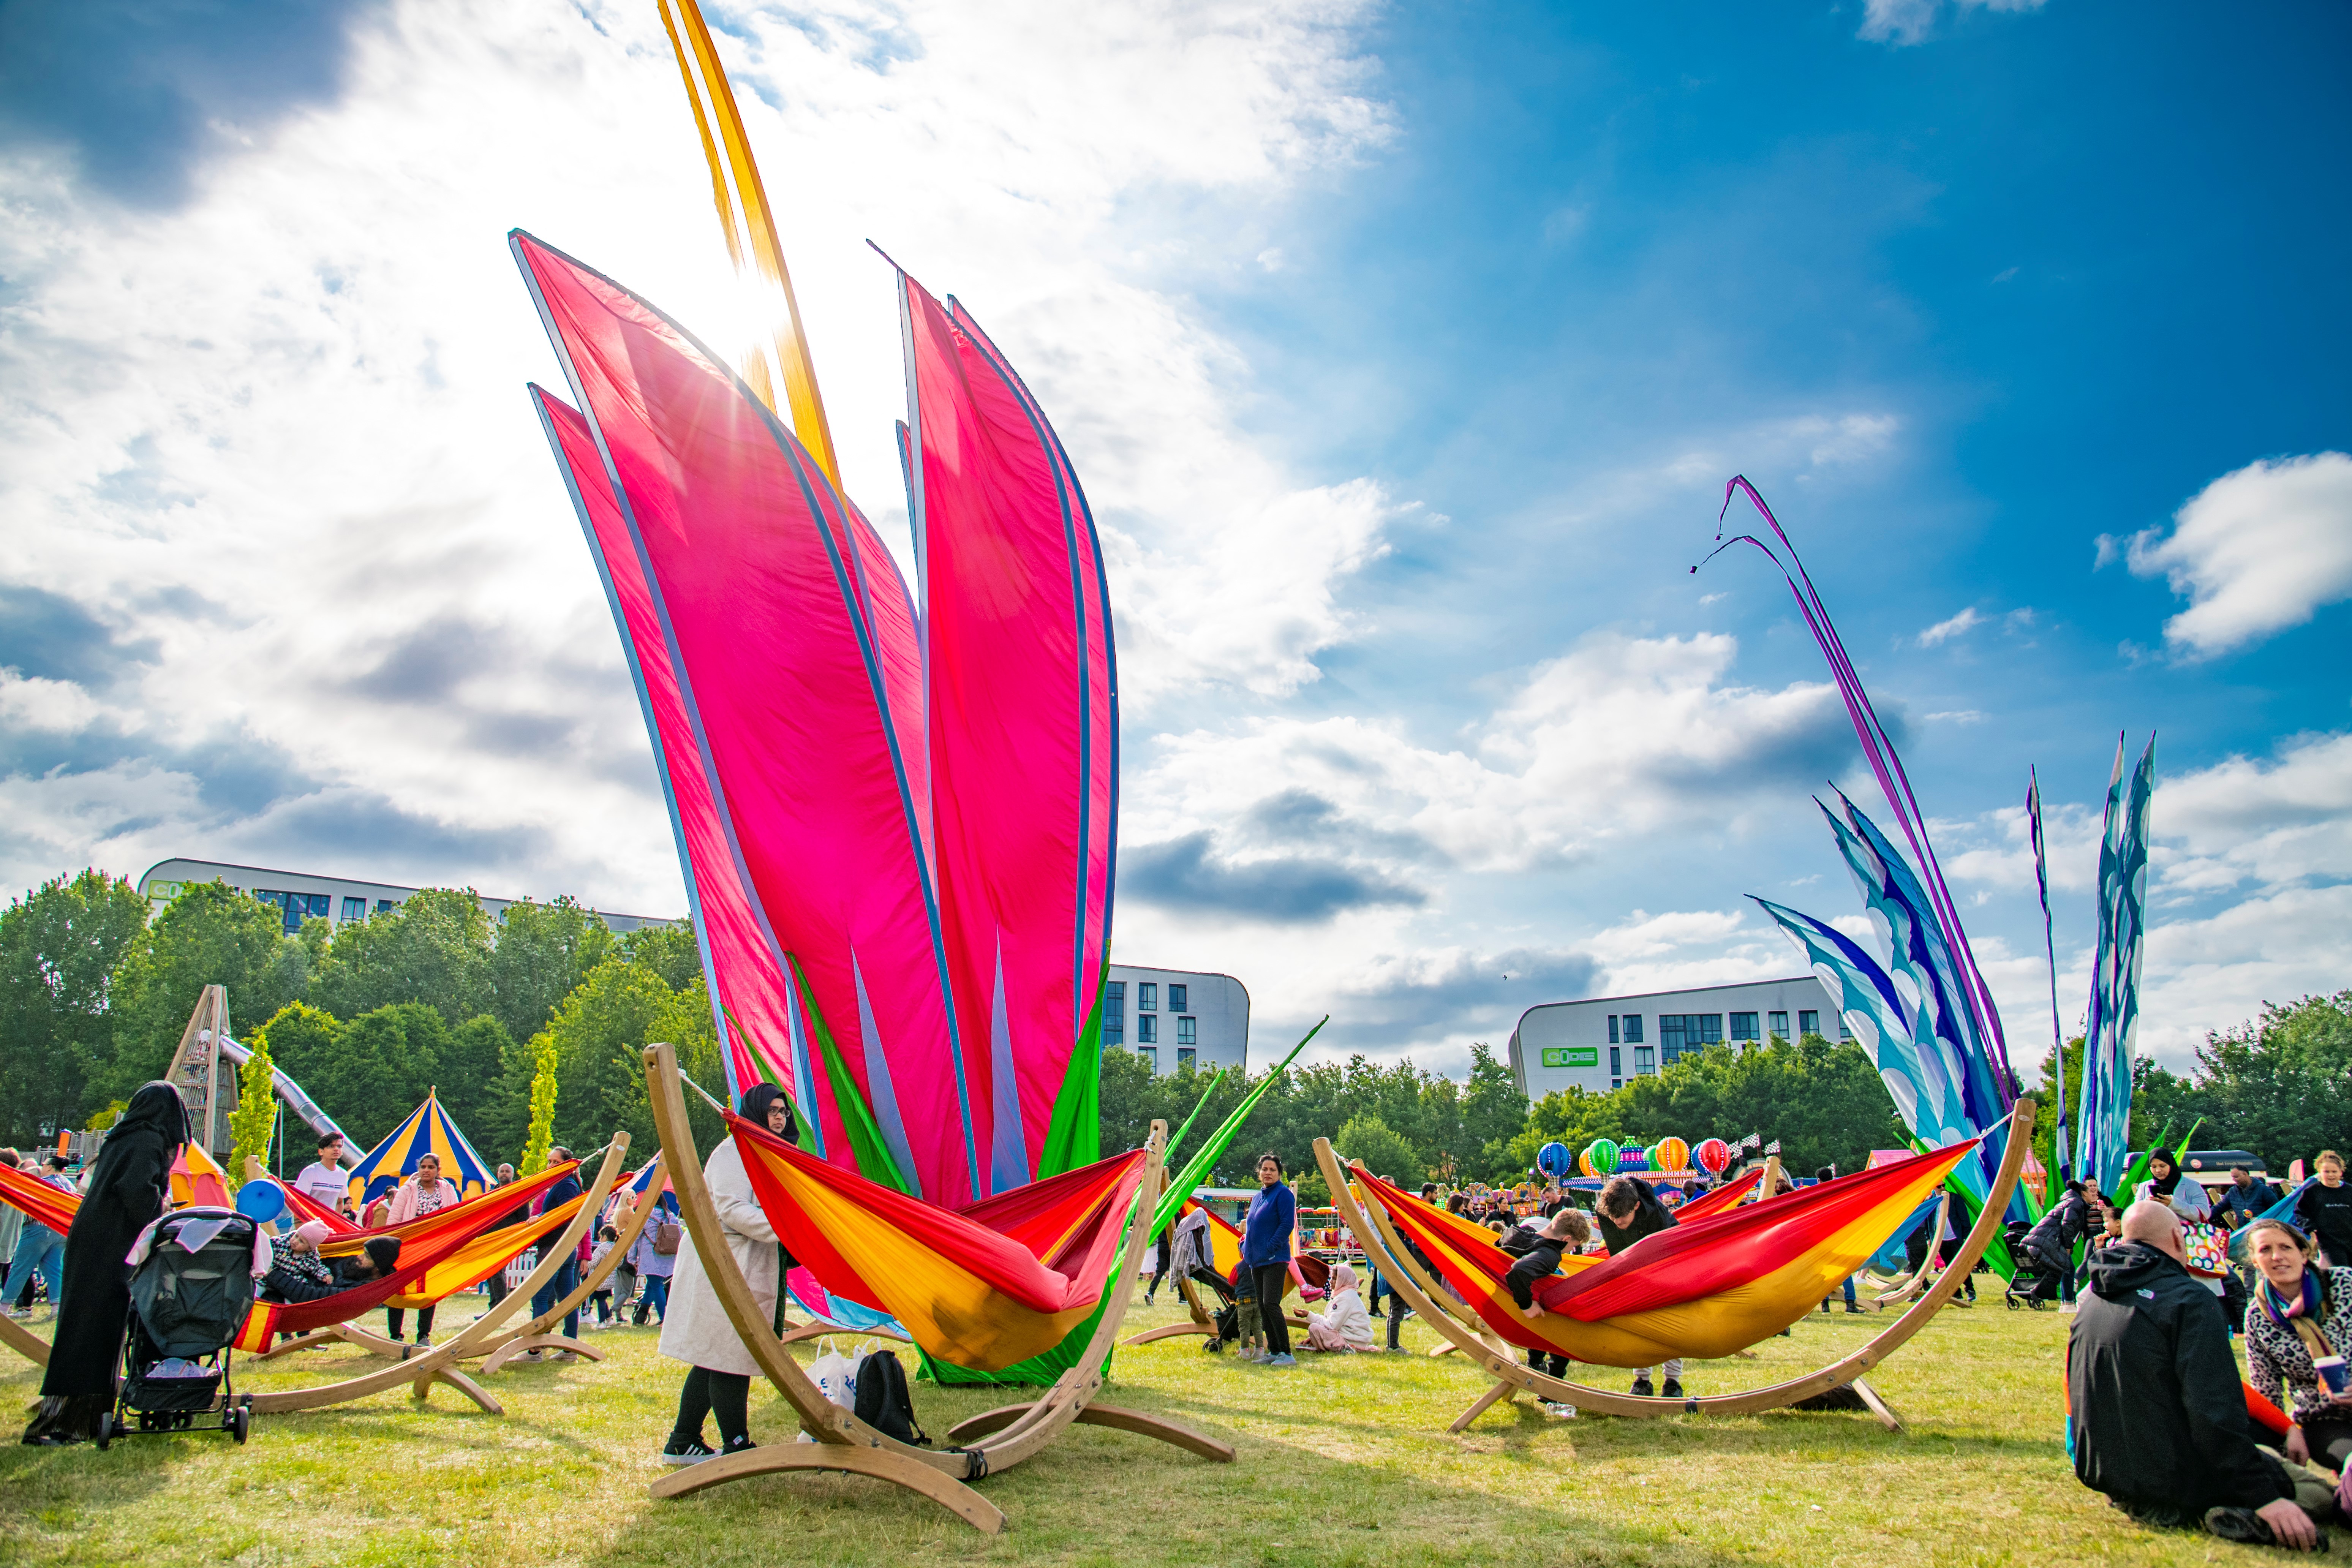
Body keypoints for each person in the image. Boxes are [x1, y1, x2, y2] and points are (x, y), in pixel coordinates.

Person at [2069, 1199, 2325, 1550]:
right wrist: (2264, 1495)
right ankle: (2229, 1509)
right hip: (2175, 1477)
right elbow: (2214, 1406)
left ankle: (2161, 1503)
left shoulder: (2094, 1299)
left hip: (2110, 1474)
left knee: (2264, 1441)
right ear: (2179, 1238)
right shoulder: (2188, 1299)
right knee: (2322, 1495)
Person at [22, 1082, 187, 1445]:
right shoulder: (146, 1140)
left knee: (96, 1328)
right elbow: (136, 1190)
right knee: (91, 1331)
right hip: (110, 1242)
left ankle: (93, 1417)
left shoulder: (123, 1136)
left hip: (99, 1238)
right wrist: (161, 1216)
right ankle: (63, 1422)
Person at [659, 1084, 796, 1463]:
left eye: (783, 1111)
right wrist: (790, 1226)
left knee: (714, 1354)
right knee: (729, 1354)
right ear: (754, 1112)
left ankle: (682, 1440)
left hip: (750, 1259)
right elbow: (733, 1209)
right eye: (772, 1111)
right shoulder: (735, 1152)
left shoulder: (769, 1153)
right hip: (725, 1261)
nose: (780, 1117)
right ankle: (737, 1444)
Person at [2242, 1217, 2352, 1474]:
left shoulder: (2344, 1285)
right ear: (2256, 1262)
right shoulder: (2258, 1317)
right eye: (2265, 1250)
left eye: (2286, 1247)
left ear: (2304, 1254)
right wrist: (2285, 1434)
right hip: (2324, 1420)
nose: (2277, 1256)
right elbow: (2265, 1389)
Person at [1595, 1175, 1684, 1398]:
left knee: (1669, 1320)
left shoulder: (1657, 1216)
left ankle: (1673, 1381)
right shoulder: (1607, 1212)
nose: (1617, 1222)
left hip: (1667, 1261)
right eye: (1613, 1217)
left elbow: (1668, 1253)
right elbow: (1618, 1254)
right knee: (1638, 1321)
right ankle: (1642, 1379)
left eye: (1622, 1217)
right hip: (1632, 1265)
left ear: (1637, 1206)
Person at [1505, 1210, 1594, 1380]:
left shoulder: (1519, 1234)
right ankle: (1555, 1381)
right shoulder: (1549, 1254)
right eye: (1572, 1246)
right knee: (1567, 1325)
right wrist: (1527, 1305)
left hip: (1508, 1305)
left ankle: (1536, 1363)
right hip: (1528, 1314)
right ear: (1566, 1239)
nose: (1570, 1251)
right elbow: (1518, 1272)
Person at [383, 1152, 458, 1346]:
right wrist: (393, 1244)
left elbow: (456, 1216)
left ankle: (424, 1335)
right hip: (408, 1246)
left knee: (430, 1290)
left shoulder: (448, 1190)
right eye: (423, 1167)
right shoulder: (407, 1190)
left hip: (434, 1247)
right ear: (418, 1170)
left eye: (431, 1167)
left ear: (438, 1171)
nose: (426, 1171)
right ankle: (395, 1336)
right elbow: (394, 1219)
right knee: (400, 1288)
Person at [525, 1149, 585, 1358]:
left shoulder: (566, 1185)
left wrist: (541, 1217)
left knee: (540, 1297)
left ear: (567, 1165)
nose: (550, 1165)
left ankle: (535, 1351)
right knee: (566, 1302)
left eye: (556, 1162)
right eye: (549, 1161)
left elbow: (567, 1215)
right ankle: (570, 1350)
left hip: (555, 1249)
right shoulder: (566, 1185)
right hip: (565, 1250)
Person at [1242, 1152, 1298, 1368]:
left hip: (1275, 1259)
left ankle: (1287, 1353)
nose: (1268, 1173)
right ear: (1259, 1173)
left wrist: (1271, 1246)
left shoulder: (1284, 1195)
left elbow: (1286, 1225)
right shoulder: (1258, 1197)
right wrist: (1246, 1247)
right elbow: (1252, 1225)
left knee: (1271, 1304)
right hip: (1257, 1261)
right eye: (1264, 1169)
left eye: (1272, 1170)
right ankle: (1274, 1351)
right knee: (1263, 1307)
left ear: (1279, 1173)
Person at [6, 1154, 74, 1317]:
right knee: (54, 1270)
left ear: (50, 1167)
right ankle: (57, 1308)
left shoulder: (44, 1183)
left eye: (44, 1165)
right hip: (61, 1231)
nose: (42, 1168)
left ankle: (4, 1307)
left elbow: (30, 1205)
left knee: (20, 1268)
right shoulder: (69, 1184)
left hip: (38, 1229)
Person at [2018, 1180, 2098, 1305]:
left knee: (2066, 1269)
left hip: (2046, 1238)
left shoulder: (2072, 1202)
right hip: (2049, 1239)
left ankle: (2065, 1303)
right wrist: (2068, 1246)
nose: (2093, 1194)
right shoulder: (2076, 1203)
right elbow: (2067, 1224)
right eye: (2090, 1192)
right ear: (2084, 1193)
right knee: (2068, 1269)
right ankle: (2068, 1303)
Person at [259, 1220, 350, 1304]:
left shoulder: (311, 1257)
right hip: (266, 1278)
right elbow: (265, 1250)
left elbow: (317, 1267)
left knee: (291, 1303)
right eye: (296, 1236)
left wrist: (325, 1275)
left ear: (310, 1248)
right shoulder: (280, 1243)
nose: (295, 1241)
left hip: (288, 1283)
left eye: (301, 1242)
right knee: (255, 1292)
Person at [630, 1189, 682, 1325]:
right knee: (652, 1286)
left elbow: (635, 1237)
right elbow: (680, 1235)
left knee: (656, 1285)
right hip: (668, 1256)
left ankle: (664, 1319)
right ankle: (640, 1318)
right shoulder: (671, 1217)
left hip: (651, 1256)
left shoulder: (646, 1216)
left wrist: (632, 1258)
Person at [2297, 1153, 2352, 1270]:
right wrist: (2310, 1227)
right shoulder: (2312, 1192)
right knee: (2343, 1272)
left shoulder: (2349, 1191)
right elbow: (2300, 1213)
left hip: (2350, 1238)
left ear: (2341, 1172)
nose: (2331, 1175)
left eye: (2334, 1172)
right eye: (2327, 1172)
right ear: (2320, 1172)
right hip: (2329, 1242)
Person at [1305, 1262, 1375, 1352]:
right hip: (1351, 1338)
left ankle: (1346, 1348)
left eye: (1334, 1279)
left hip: (1353, 1341)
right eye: (1331, 1278)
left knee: (1314, 1328)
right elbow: (1331, 1321)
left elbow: (1332, 1326)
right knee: (1316, 1329)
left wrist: (1310, 1316)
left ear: (1343, 1280)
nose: (1330, 1281)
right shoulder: (1343, 1294)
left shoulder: (1345, 1297)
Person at [2142, 1151, 2214, 1224]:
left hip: (2185, 1234)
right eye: (2154, 1167)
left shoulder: (2192, 1185)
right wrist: (2147, 1204)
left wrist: (2173, 1204)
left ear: (2171, 1165)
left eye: (2163, 1166)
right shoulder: (2144, 1187)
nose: (2158, 1170)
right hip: (2154, 1234)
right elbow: (2135, 1215)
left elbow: (2205, 1214)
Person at [291, 1132, 351, 1213]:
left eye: (339, 1146)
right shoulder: (311, 1172)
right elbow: (297, 1201)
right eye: (331, 1146)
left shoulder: (343, 1174)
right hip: (308, 1222)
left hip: (328, 1224)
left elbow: (340, 1202)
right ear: (321, 1152)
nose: (336, 1149)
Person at [2220, 1166, 2287, 1230]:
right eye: (2233, 1177)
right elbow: (2220, 1207)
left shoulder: (2264, 1190)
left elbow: (2276, 1210)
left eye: (2236, 1177)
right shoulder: (2233, 1191)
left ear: (2245, 1174)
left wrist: (2262, 1221)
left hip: (2261, 1230)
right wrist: (2209, 1218)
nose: (2233, 1180)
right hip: (2243, 1233)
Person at [588, 1224, 621, 1326]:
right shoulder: (616, 1247)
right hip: (610, 1280)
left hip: (601, 1279)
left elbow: (593, 1263)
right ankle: (609, 1318)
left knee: (601, 1300)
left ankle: (602, 1322)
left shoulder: (602, 1248)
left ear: (605, 1237)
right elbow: (620, 1263)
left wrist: (586, 1264)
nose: (600, 1239)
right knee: (602, 1299)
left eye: (600, 1237)